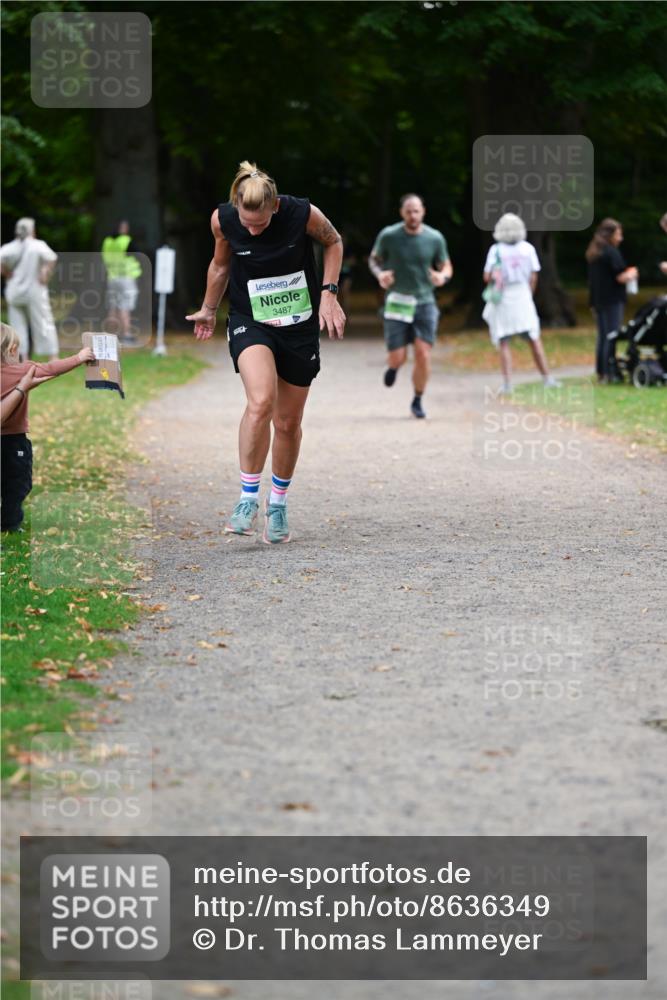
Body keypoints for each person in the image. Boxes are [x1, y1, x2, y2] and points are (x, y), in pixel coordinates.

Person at [185, 160, 345, 544]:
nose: (252, 230)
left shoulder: (301, 213)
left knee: (287, 422)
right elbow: (221, 266)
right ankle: (246, 500)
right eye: (246, 223)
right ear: (236, 206)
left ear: (275, 206)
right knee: (261, 401)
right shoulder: (223, 221)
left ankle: (278, 504)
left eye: (260, 223)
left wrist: (329, 294)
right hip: (250, 318)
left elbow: (333, 242)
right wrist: (208, 308)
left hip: (298, 324)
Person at [0, 323, 95, 532]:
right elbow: (52, 368)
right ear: (12, 350)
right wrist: (79, 358)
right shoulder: (21, 370)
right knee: (17, 484)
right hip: (14, 440)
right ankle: (9, 523)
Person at [369, 194, 452, 419]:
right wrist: (380, 274)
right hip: (397, 301)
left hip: (425, 302)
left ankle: (417, 399)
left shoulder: (435, 238)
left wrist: (442, 277)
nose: (412, 215)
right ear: (401, 212)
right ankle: (394, 367)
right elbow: (374, 259)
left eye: (416, 211)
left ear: (423, 211)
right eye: (408, 211)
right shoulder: (389, 235)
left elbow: (446, 265)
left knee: (423, 353)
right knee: (398, 356)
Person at [482, 213, 560, 394]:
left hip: (503, 297)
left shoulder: (496, 250)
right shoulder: (528, 249)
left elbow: (487, 276)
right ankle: (547, 377)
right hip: (523, 295)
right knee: (534, 338)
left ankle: (508, 383)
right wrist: (529, 294)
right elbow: (534, 276)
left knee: (503, 341)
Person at [585, 218, 638, 383]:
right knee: (611, 335)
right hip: (612, 300)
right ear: (610, 235)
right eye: (618, 234)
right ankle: (609, 372)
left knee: (602, 336)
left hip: (599, 300)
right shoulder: (611, 252)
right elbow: (620, 276)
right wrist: (633, 273)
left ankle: (602, 371)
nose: (620, 238)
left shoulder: (594, 253)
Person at [0, 218, 59, 361]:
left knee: (17, 326)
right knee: (43, 322)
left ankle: (23, 358)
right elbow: (52, 258)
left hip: (14, 292)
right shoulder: (37, 245)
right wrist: (45, 274)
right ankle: (53, 356)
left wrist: (8, 274)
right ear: (32, 230)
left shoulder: (9, 247)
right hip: (35, 291)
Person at [101, 220, 142, 344]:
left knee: (113, 306)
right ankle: (126, 334)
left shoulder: (107, 242)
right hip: (126, 278)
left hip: (112, 278)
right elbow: (138, 255)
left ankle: (110, 335)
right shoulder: (126, 241)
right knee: (125, 306)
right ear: (123, 228)